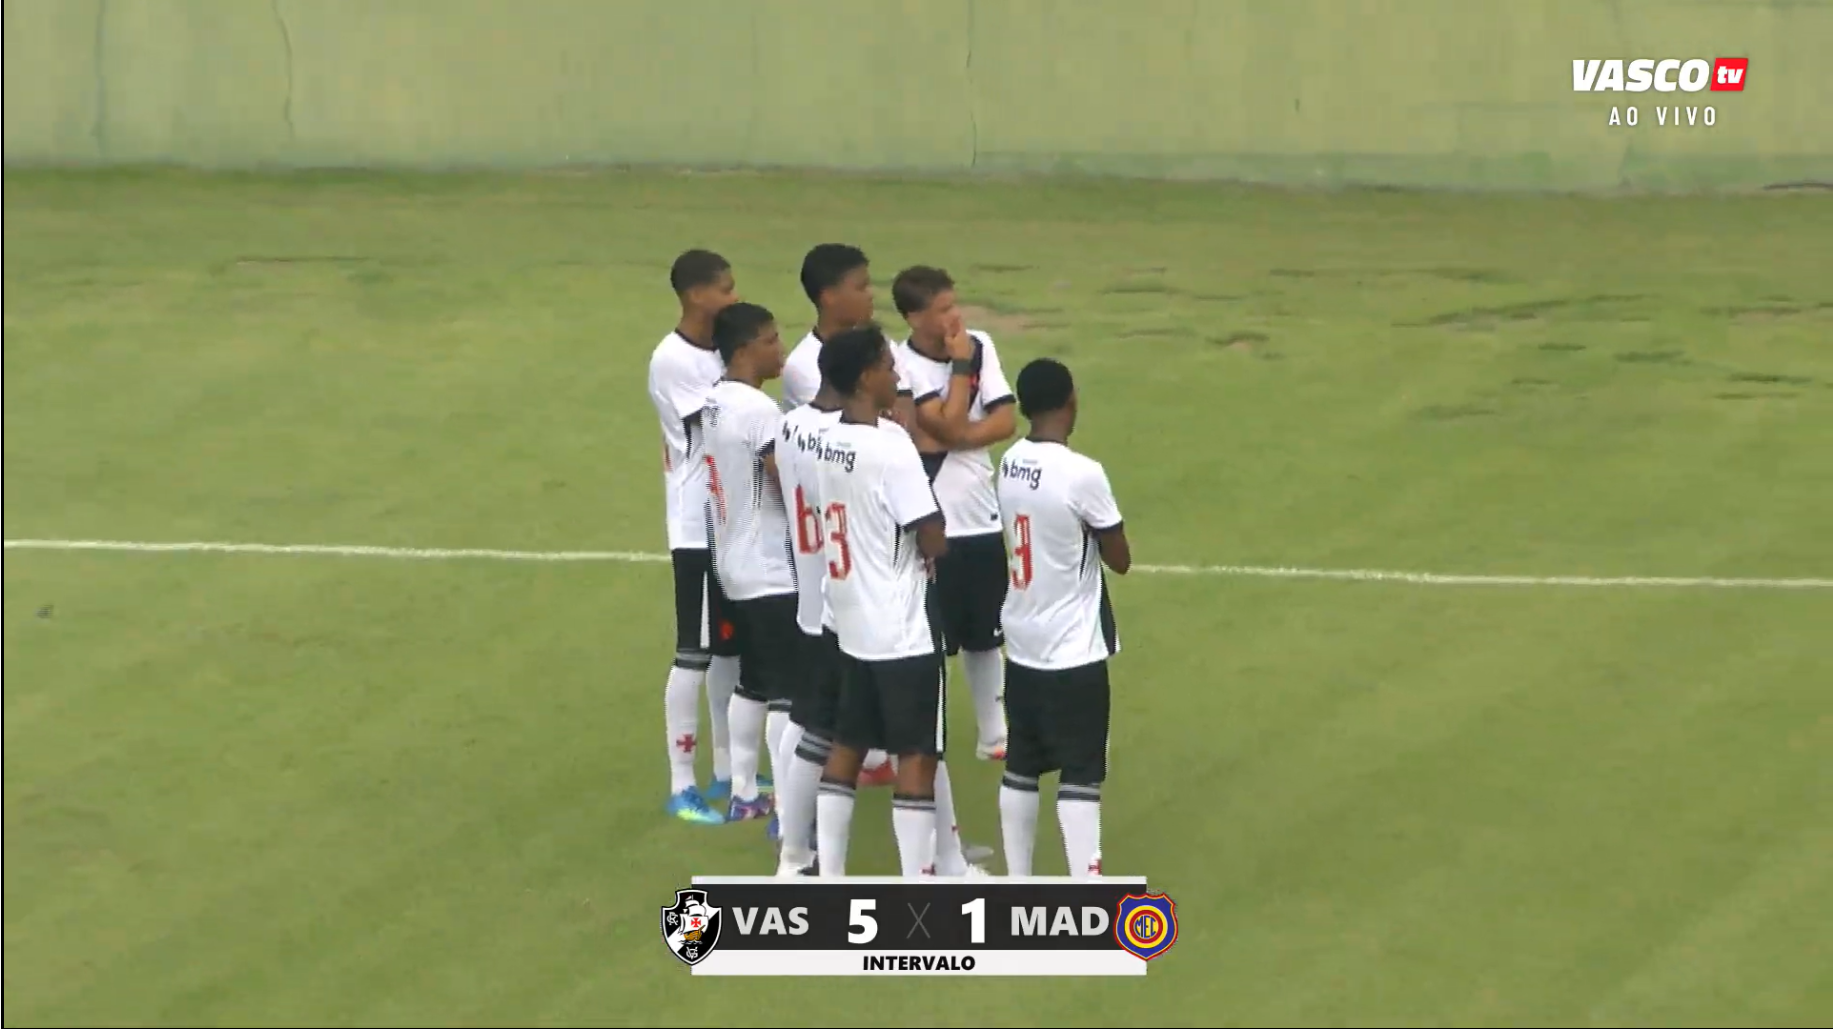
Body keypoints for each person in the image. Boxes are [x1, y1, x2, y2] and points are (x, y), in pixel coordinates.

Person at [810, 326, 975, 878]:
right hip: (901, 625)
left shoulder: (825, 439)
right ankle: (917, 884)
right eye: (887, 365)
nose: (896, 373)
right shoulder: (890, 447)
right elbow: (932, 537)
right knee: (917, 753)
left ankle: (829, 876)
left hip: (851, 620)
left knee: (848, 744)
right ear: (865, 378)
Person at [780, 242, 914, 789]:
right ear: (829, 295)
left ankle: (810, 807)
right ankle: (789, 818)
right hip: (831, 562)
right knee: (813, 714)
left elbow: (901, 410)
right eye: (861, 286)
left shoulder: (868, 354)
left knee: (831, 710)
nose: (871, 295)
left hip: (846, 559)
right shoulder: (804, 373)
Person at [993, 358, 1130, 878]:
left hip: (1022, 638)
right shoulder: (1082, 473)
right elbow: (1120, 558)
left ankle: (1018, 880)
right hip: (1073, 646)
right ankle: (1084, 885)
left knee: (1022, 764)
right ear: (1070, 400)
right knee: (1080, 770)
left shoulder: (1010, 462)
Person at [892, 265, 1016, 762]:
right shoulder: (902, 363)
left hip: (981, 515)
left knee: (986, 633)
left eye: (954, 304)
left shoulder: (981, 343)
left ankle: (995, 735)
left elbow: (1004, 420)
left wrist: (955, 434)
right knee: (930, 639)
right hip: (933, 520)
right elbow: (940, 425)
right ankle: (928, 739)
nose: (954, 316)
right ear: (914, 316)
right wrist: (962, 370)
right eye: (942, 309)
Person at [647, 248, 747, 824]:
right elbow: (719, 427)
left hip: (730, 519)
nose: (734, 297)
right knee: (694, 652)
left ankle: (728, 771)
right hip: (696, 523)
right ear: (695, 295)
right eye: (725, 289)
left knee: (730, 648)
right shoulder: (673, 359)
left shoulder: (719, 349)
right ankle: (682, 783)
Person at [703, 302, 799, 823]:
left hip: (732, 561)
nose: (780, 349)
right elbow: (783, 477)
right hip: (769, 565)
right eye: (771, 340)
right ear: (744, 350)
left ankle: (744, 792)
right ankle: (786, 804)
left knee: (754, 680)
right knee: (787, 690)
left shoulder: (714, 401)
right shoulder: (759, 410)